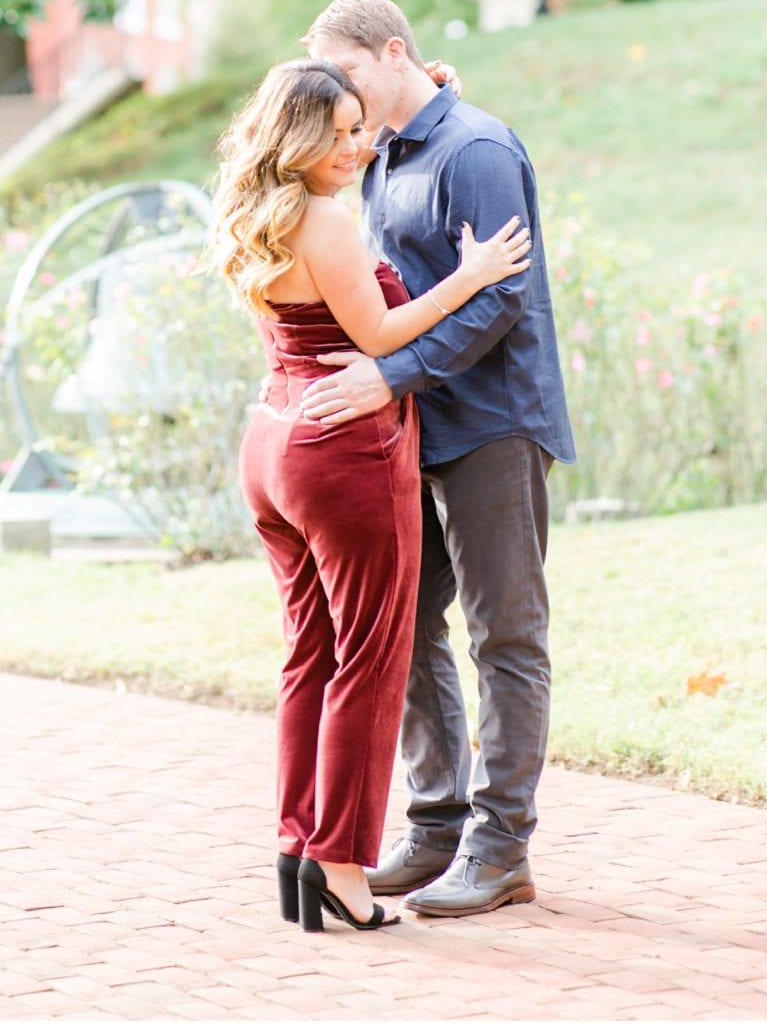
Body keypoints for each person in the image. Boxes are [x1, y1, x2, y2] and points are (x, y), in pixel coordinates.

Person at [208, 59, 532, 934]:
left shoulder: (257, 213)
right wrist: (471, 276)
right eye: (343, 133)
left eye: (364, 128)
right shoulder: (324, 222)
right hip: (344, 452)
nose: (359, 146)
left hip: (274, 439)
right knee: (369, 660)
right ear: (302, 137)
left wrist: (420, 86)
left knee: (309, 655)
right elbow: (382, 335)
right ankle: (342, 868)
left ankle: (298, 848)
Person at [302, 0, 575, 919]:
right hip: (413, 427)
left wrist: (392, 373)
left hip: (492, 423)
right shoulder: (381, 155)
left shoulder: (478, 150)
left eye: (343, 75)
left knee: (506, 634)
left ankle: (502, 849)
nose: (334, 96)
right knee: (406, 627)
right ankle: (436, 825)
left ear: (392, 51)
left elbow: (501, 302)